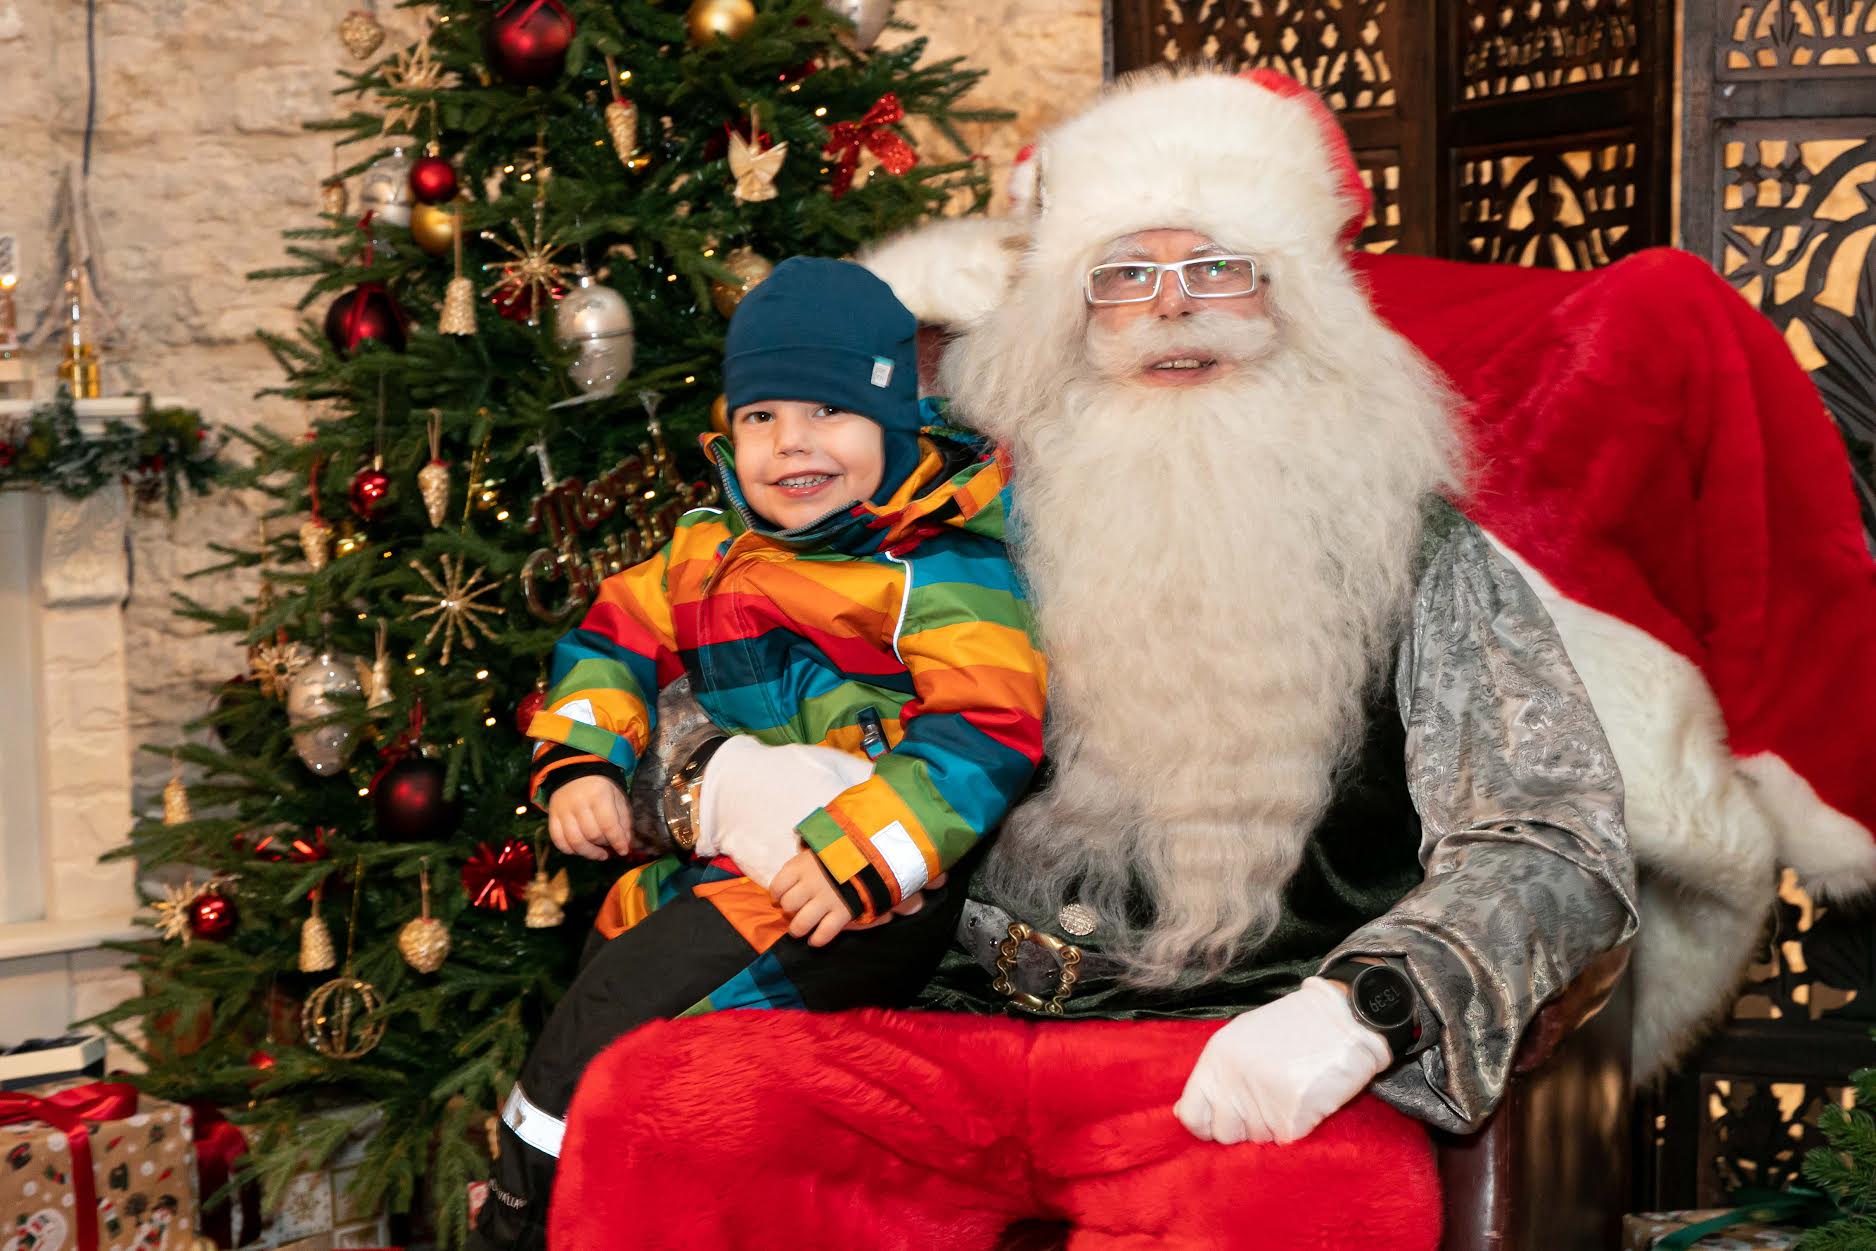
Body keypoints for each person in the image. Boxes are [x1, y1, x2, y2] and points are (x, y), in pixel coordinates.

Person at [542, 68, 1640, 1250]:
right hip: (919, 1027)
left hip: (1219, 1066)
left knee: (1325, 1204)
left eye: (1220, 266)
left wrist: (1371, 1005)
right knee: (663, 1117)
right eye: (1125, 275)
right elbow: (664, 665)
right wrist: (715, 782)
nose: (1175, 309)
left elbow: (1554, 841)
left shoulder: (1420, 556)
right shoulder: (936, 513)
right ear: (1068, 310)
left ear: (1301, 303)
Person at [471, 257, 1049, 1251]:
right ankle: (582, 1199)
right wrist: (581, 759)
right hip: (727, 871)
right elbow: (612, 631)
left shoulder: (938, 560)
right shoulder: (708, 548)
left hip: (863, 887)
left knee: (605, 1034)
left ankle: (519, 1219)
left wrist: (865, 846)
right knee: (621, 987)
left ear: (895, 421)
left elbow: (988, 724)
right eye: (760, 417)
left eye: (826, 413)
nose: (791, 445)